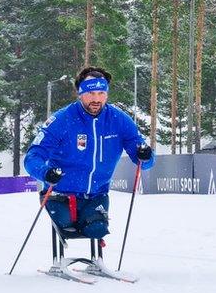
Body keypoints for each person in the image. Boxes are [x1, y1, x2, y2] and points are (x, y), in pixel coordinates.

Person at [24, 66, 155, 243]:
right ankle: (59, 259)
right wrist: (45, 172)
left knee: (97, 229)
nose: (96, 99)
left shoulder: (119, 120)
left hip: (96, 194)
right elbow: (32, 156)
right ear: (80, 94)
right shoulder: (62, 120)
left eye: (101, 93)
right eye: (91, 93)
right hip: (60, 194)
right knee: (65, 226)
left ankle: (97, 259)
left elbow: (144, 161)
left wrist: (145, 155)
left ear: (107, 94)